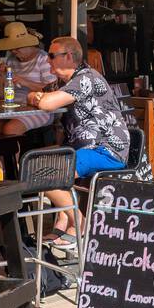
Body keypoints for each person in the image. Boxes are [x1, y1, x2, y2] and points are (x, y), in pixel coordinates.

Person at [28, 37, 129, 249]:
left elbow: (45, 102)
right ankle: (64, 221)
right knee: (31, 160)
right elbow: (36, 94)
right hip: (81, 148)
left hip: (105, 148)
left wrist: (39, 97)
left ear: (69, 57)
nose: (47, 60)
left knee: (43, 171)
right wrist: (37, 96)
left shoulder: (86, 78)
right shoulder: (65, 82)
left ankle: (79, 223)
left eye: (52, 55)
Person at [0, 22, 56, 136]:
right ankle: (6, 153)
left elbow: (52, 90)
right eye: (11, 49)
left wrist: (24, 81)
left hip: (39, 109)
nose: (13, 52)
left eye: (17, 48)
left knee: (11, 129)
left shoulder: (43, 59)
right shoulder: (11, 60)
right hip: (13, 107)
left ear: (29, 44)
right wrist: (0, 76)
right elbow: (2, 96)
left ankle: (20, 152)